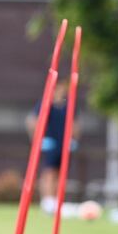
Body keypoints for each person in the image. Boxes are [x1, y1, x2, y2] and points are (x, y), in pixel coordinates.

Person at [25, 80, 79, 214]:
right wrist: (37, 139)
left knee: (60, 173)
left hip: (64, 144)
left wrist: (74, 139)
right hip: (50, 143)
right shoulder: (46, 104)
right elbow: (32, 121)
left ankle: (56, 200)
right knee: (49, 172)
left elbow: (75, 124)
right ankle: (47, 201)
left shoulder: (68, 105)